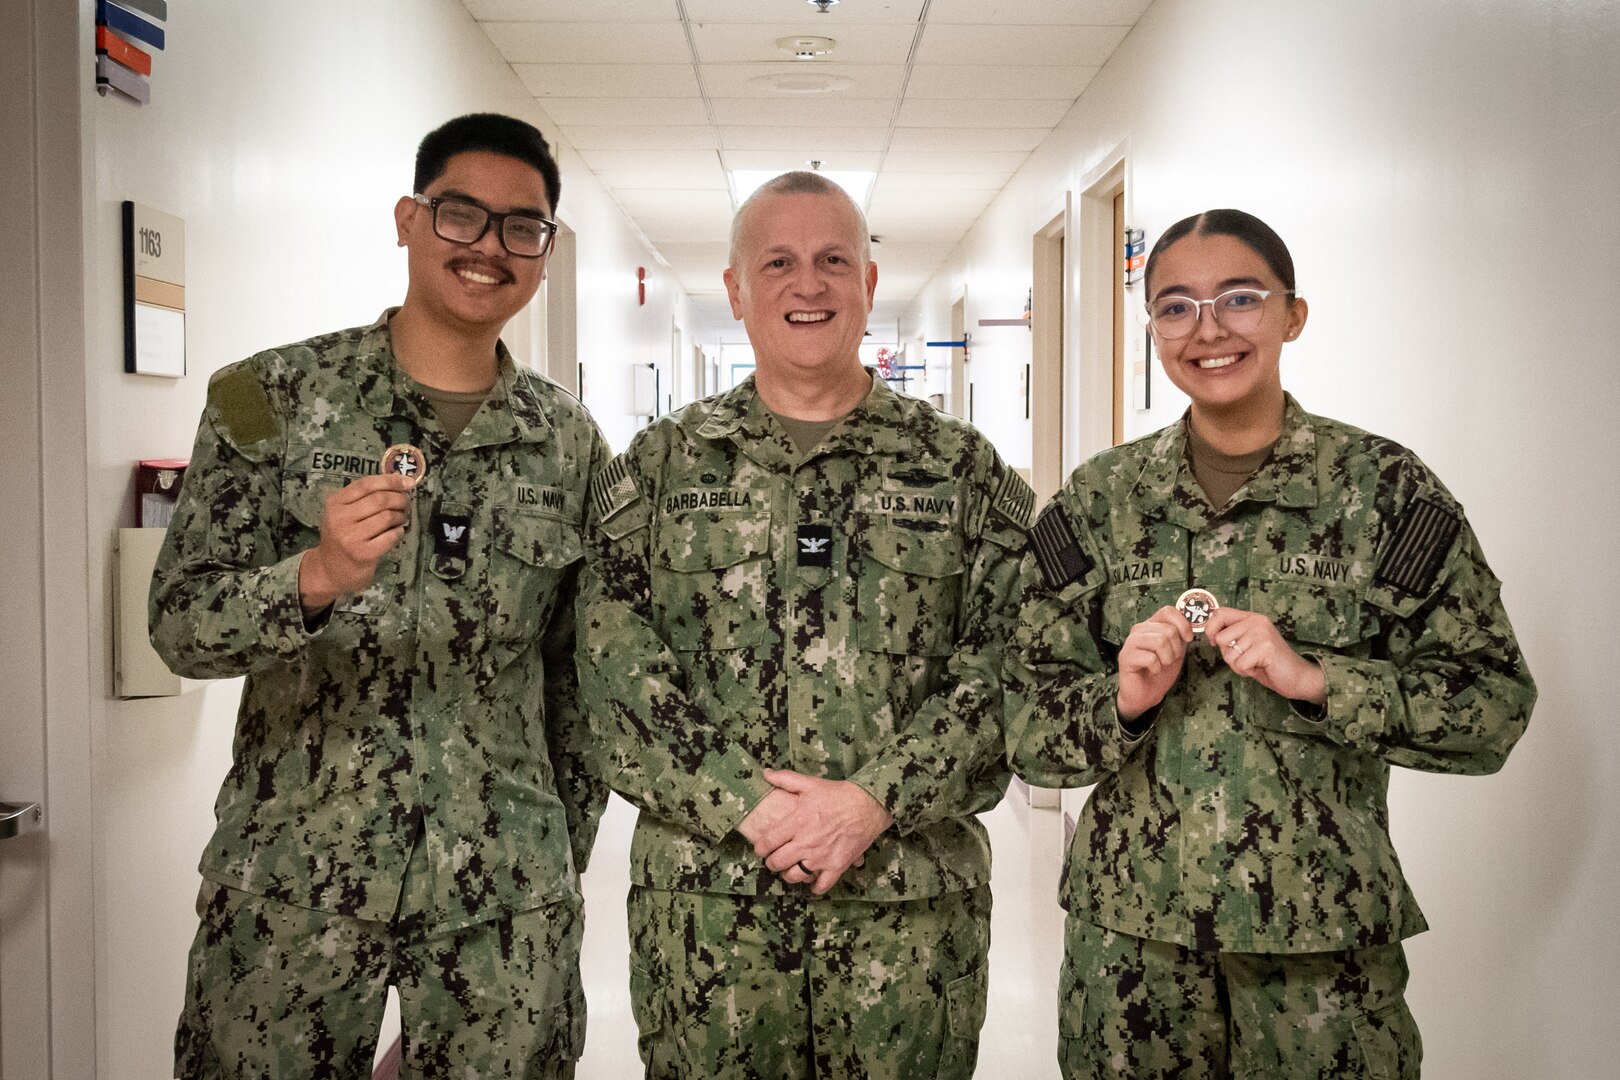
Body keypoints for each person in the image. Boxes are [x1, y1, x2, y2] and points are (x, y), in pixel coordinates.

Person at [1005, 208, 1536, 1079]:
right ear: (1154, 331)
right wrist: (1121, 701)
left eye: (1239, 299)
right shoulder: (1098, 503)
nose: (1208, 330)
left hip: (1320, 949)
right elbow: (1025, 724)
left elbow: (1493, 705)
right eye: (1175, 307)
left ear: (1293, 314)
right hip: (1133, 945)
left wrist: (1319, 680)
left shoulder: (1384, 492)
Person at [150, 113, 608, 1079]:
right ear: (408, 219)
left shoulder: (569, 444)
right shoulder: (261, 396)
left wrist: (555, 852)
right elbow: (180, 624)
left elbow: (578, 680)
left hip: (503, 900)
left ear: (545, 253)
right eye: (461, 215)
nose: (489, 247)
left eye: (521, 228)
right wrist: (311, 581)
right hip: (294, 884)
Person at [578, 171, 1032, 1079]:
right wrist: (748, 807)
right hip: (710, 927)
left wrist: (875, 800)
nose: (809, 284)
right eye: (778, 262)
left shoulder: (961, 469)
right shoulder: (661, 466)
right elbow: (612, 667)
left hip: (907, 925)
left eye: (833, 260)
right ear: (737, 291)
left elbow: (1012, 665)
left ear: (868, 284)